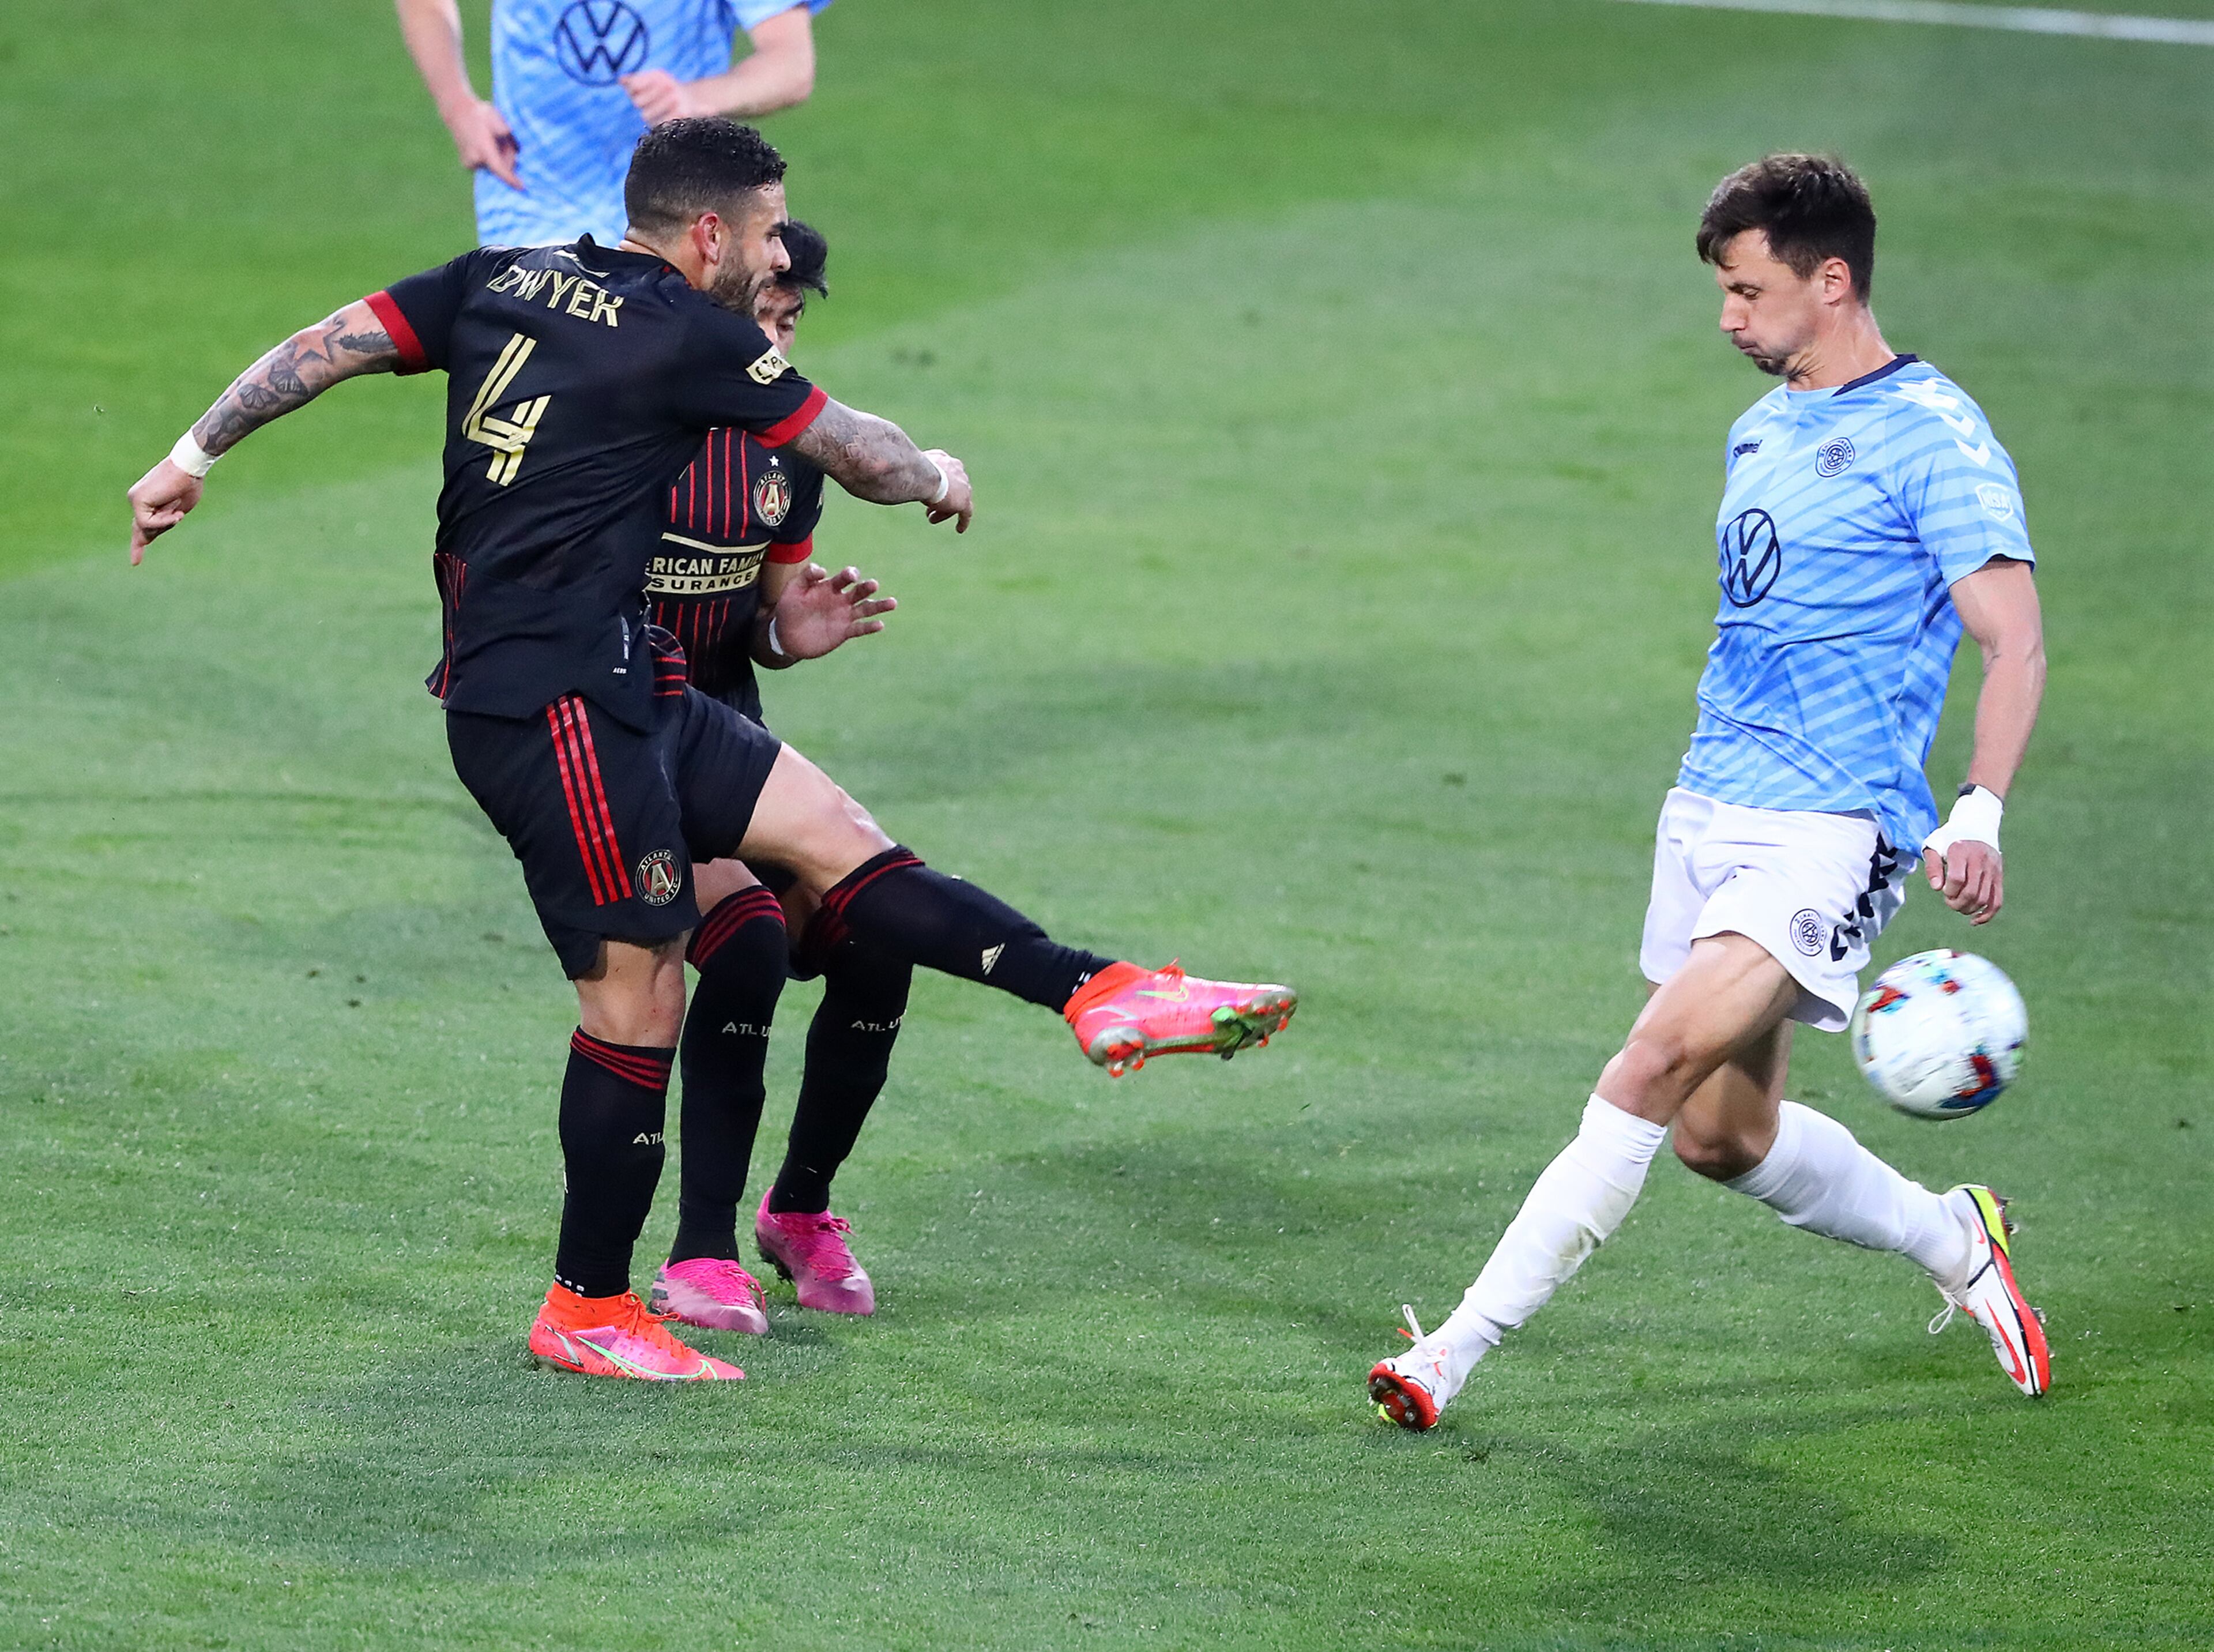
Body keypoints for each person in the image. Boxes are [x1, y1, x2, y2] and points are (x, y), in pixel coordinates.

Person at [127, 119, 1297, 1384]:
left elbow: (324, 347)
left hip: (633, 677)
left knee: (836, 838)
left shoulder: (499, 275)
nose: (780, 254)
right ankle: (589, 1304)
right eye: (769, 231)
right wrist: (939, 472)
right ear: (708, 234)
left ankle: (1100, 990)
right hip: (549, 707)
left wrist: (190, 457)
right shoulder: (693, 333)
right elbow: (860, 454)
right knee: (638, 998)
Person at [1369, 153, 2051, 1431]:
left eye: (1748, 291)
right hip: (1710, 802)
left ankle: (1448, 1353)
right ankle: (1957, 1237)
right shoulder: (1763, 426)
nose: (1728, 317)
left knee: (1648, 1065)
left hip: (1832, 825)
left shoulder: (1936, 435)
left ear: (1831, 280)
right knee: (1721, 1137)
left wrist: (1979, 808)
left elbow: (2012, 639)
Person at [635, 223, 916, 1334]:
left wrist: (789, 635)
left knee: (880, 928)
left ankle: (798, 1210)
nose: (778, 346)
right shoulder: (623, 425)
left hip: (725, 748)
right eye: (763, 319)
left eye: (790, 324)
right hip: (612, 751)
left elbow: (761, 619)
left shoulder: (788, 450)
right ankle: (699, 1255)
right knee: (749, 940)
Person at [396, 0, 829, 248]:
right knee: (543, 370)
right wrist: (457, 105)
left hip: (675, 203)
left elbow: (790, 64)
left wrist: (697, 98)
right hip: (533, 191)